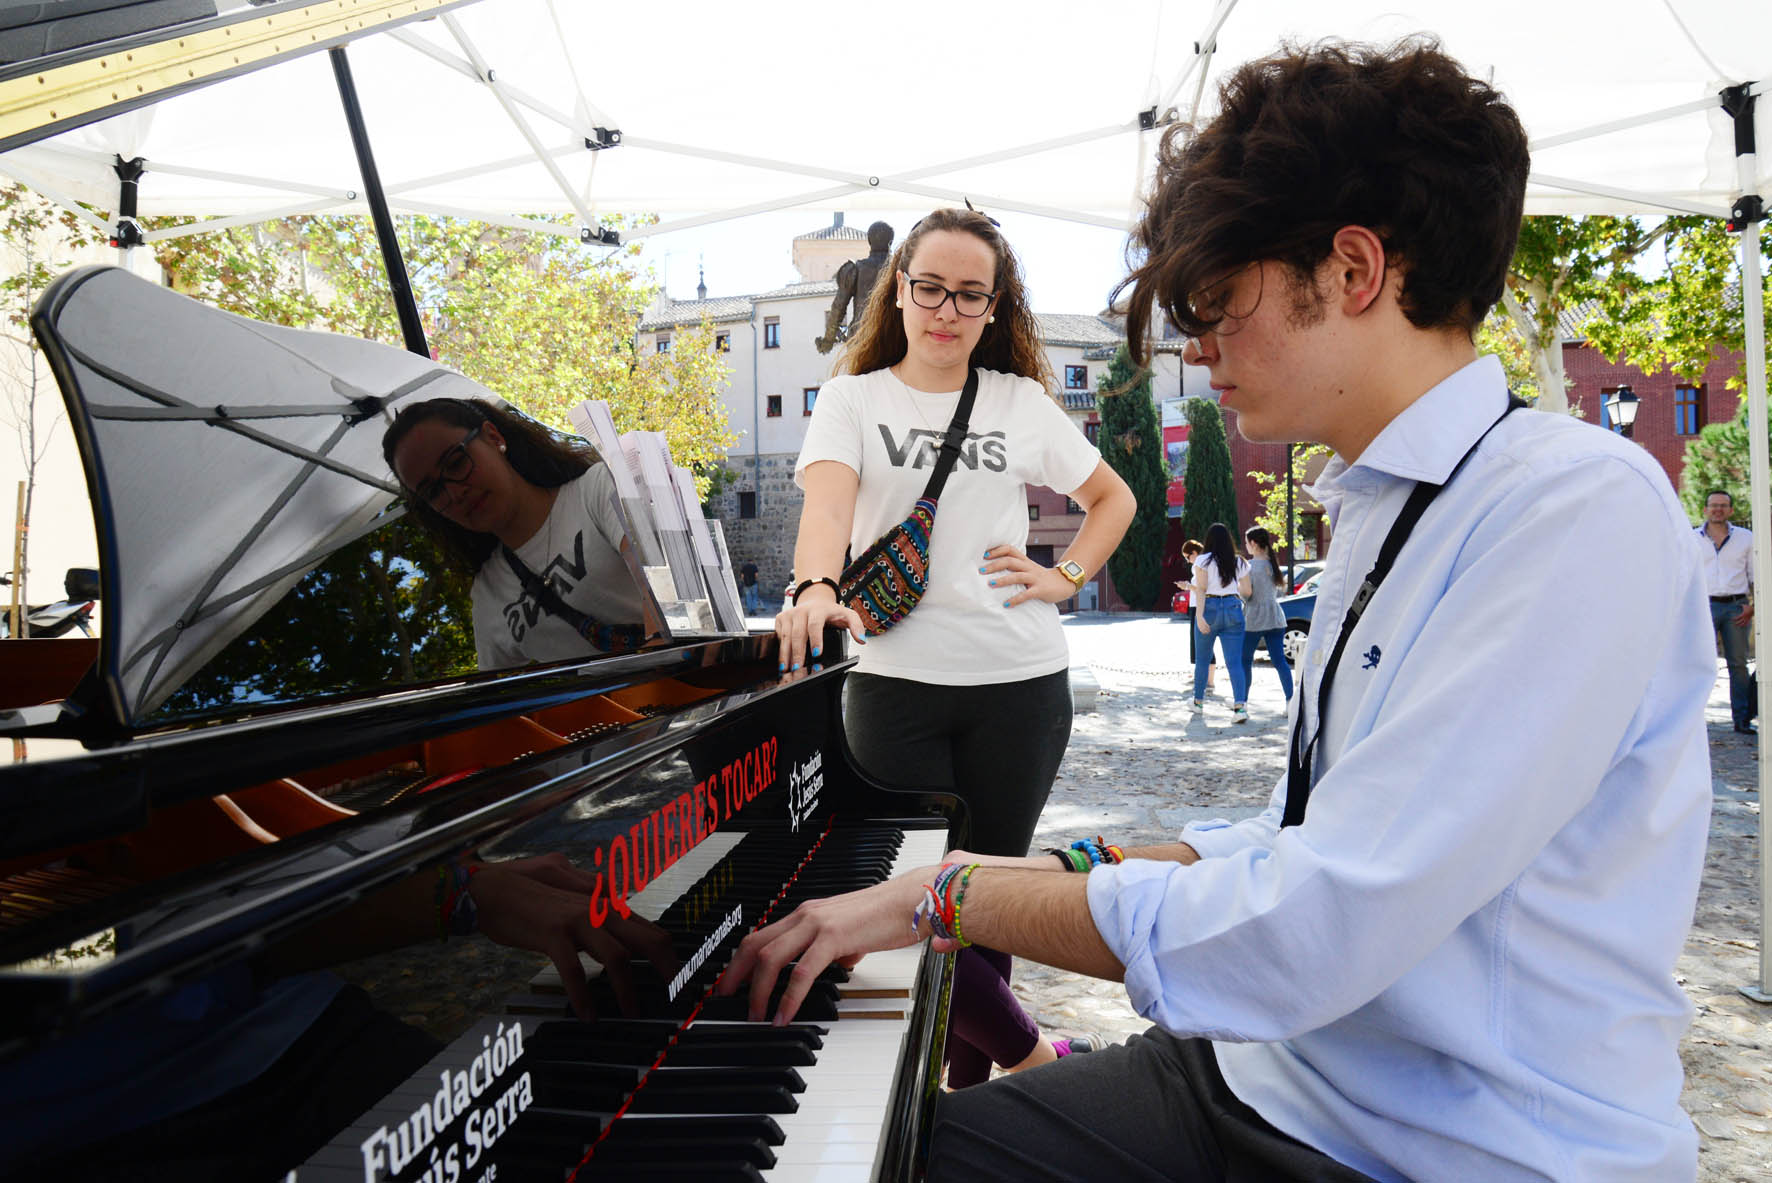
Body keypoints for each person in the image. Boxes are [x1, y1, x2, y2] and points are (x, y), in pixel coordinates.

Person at [721, 40, 1714, 1183]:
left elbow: (1312, 922)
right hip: (1263, 1074)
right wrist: (1006, 877)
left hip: (1453, 1145)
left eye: (1215, 300)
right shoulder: (1385, 499)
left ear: (1351, 271)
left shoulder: (1567, 508)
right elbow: (1293, 838)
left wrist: (951, 895)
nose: (1198, 344)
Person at [774, 206, 1135, 1085]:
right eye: (929, 286)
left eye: (970, 294)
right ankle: (1034, 1058)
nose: (946, 308)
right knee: (911, 900)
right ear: (898, 290)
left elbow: (1112, 499)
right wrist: (816, 586)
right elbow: (825, 511)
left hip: (1020, 685)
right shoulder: (854, 399)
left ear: (993, 305)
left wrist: (1065, 575)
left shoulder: (1019, 401)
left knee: (992, 901)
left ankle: (969, 1108)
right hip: (893, 683)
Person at [382, 397, 656, 670]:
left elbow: (659, 583)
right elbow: (497, 698)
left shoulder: (595, 489)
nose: (455, 493)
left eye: (455, 463)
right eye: (433, 491)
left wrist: (662, 641)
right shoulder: (488, 594)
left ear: (493, 437)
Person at [1695, 489, 1756, 734]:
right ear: (1705, 510)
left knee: (1738, 664)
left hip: (1736, 607)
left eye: (1723, 505)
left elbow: (1756, 573)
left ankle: (1741, 719)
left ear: (1730, 510)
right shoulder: (1691, 539)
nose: (1718, 509)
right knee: (1697, 663)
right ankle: (1694, 722)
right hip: (1703, 606)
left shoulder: (1746, 538)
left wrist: (1752, 606)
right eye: (1713, 505)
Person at [1191, 522, 1252, 721]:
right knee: (1235, 662)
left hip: (1209, 608)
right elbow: (1248, 591)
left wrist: (1199, 616)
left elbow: (1200, 589)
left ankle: (1198, 703)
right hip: (1233, 607)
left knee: (1202, 659)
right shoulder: (1239, 562)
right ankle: (1240, 708)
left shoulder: (1203, 560)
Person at [1241, 525, 1294, 701]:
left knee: (1245, 661)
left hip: (1254, 619)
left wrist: (1238, 589)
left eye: (1247, 543)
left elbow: (1248, 594)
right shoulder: (1273, 564)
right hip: (1275, 617)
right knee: (1280, 662)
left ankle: (1243, 702)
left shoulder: (1248, 567)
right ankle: (1290, 701)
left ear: (1254, 543)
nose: (1246, 546)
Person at [1177, 537, 1217, 692]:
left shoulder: (1200, 563)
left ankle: (1210, 681)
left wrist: (1187, 586)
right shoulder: (1202, 562)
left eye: (1187, 557)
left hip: (1201, 605)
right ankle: (1203, 676)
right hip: (1196, 604)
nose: (1187, 561)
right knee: (1198, 642)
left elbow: (1202, 588)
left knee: (1204, 641)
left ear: (1194, 553)